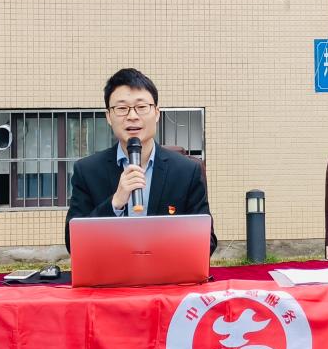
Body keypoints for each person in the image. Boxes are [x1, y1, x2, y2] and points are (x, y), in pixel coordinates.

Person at [65, 68, 216, 253]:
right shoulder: (87, 170)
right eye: (122, 108)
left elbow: (207, 241)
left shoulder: (187, 171)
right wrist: (115, 203)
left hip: (166, 270)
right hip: (111, 271)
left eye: (141, 107)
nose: (132, 116)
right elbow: (73, 242)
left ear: (157, 113)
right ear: (109, 117)